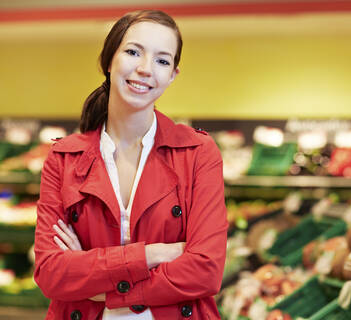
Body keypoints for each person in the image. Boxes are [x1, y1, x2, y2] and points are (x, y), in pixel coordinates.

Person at [34, 9, 228, 320]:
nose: (145, 69)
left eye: (162, 61)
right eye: (133, 52)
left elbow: (205, 271)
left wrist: (96, 280)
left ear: (172, 75)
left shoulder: (197, 153)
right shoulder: (63, 159)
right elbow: (50, 274)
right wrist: (155, 254)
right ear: (109, 61)